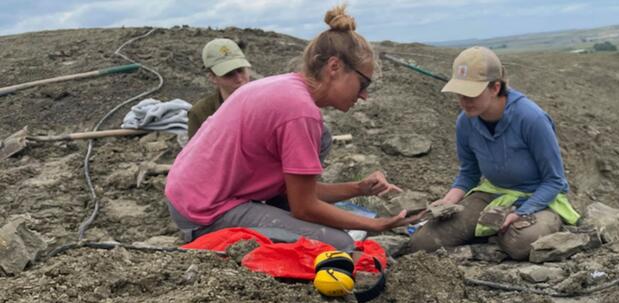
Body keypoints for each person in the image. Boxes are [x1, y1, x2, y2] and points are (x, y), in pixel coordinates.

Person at [165, 5, 414, 251]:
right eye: (362, 83)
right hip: (203, 212)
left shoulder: (288, 86)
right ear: (334, 67)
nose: (365, 95)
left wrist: (358, 188)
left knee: (322, 138)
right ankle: (210, 235)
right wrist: (377, 224)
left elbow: (297, 194)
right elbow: (304, 207)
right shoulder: (299, 111)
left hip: (193, 194)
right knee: (340, 245)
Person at [409, 46, 579, 260]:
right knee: (422, 243)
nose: (464, 101)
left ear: (495, 87)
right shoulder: (466, 122)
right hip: (492, 193)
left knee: (520, 243)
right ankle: (488, 239)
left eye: (471, 93)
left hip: (538, 197)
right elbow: (469, 174)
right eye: (460, 94)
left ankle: (532, 227)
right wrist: (449, 200)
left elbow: (554, 181)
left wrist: (520, 213)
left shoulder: (531, 119)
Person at [187, 38, 252, 140]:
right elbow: (196, 154)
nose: (239, 79)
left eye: (241, 70)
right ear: (213, 78)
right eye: (228, 74)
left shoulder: (269, 103)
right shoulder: (201, 113)